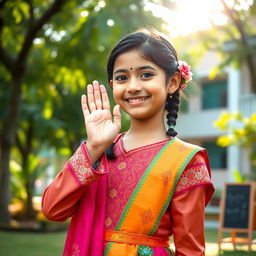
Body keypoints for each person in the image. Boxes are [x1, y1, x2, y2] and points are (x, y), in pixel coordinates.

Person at [42, 27, 215, 256]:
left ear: (172, 82)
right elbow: (52, 210)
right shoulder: (100, 151)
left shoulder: (187, 161)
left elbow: (191, 250)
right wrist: (93, 148)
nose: (133, 86)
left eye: (146, 74)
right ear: (113, 85)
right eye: (122, 77)